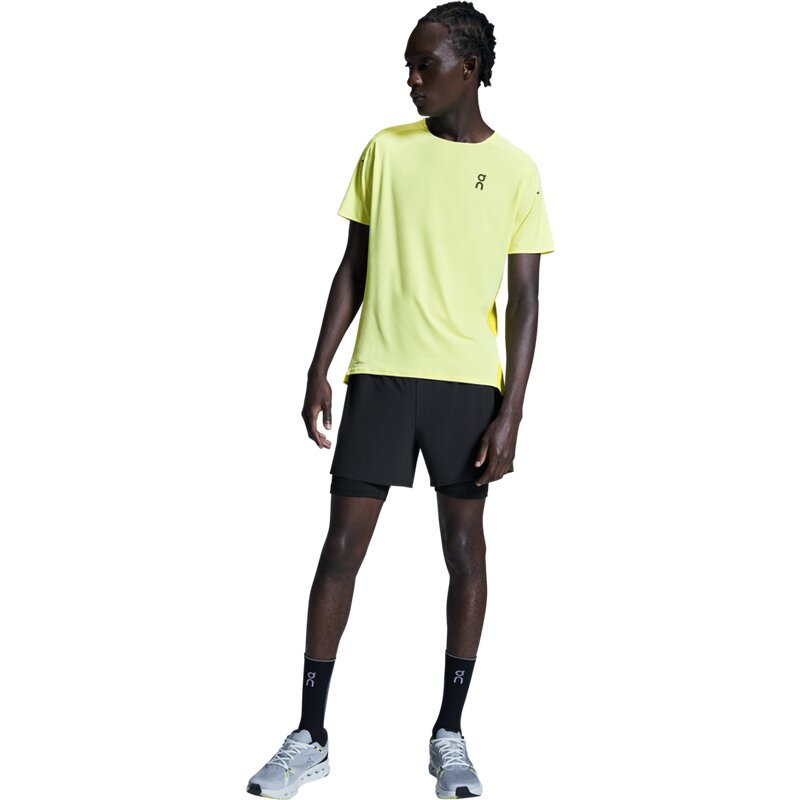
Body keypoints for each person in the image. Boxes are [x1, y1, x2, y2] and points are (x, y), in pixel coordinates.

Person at [246, 3, 554, 798]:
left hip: (466, 387)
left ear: (469, 69)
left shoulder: (516, 170)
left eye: (425, 64)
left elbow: (526, 301)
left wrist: (512, 412)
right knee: (341, 549)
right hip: (380, 375)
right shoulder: (385, 150)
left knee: (466, 552)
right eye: (409, 64)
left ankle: (450, 732)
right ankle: (310, 734)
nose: (411, 78)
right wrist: (319, 366)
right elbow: (353, 266)